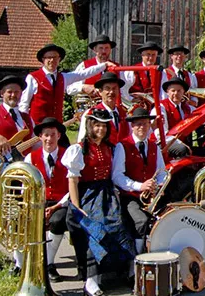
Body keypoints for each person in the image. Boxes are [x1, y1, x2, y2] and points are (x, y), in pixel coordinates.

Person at [63, 109, 135, 296]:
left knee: (120, 224)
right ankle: (91, 281)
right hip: (87, 194)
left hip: (107, 194)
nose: (101, 129)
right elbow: (73, 180)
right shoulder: (79, 149)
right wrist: (77, 206)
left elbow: (115, 176)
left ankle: (125, 272)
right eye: (97, 125)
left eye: (104, 125)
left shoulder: (111, 148)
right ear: (89, 126)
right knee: (95, 229)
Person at [0, 75, 35, 273]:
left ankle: (18, 260)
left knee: (19, 213)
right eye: (10, 91)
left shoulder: (26, 118)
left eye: (17, 92)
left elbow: (33, 143)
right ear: (2, 94)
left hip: (20, 173)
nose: (14, 95)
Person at [112, 107, 167, 256]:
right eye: (138, 124)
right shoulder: (122, 146)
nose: (142, 127)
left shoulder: (154, 147)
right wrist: (139, 186)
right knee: (141, 221)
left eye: (145, 124)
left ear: (149, 125)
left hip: (151, 196)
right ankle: (137, 258)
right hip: (130, 196)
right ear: (132, 126)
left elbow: (162, 171)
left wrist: (159, 186)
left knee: (168, 218)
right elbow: (117, 176)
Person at [24, 116, 69, 281]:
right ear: (40, 137)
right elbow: (27, 187)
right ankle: (21, 264)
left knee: (58, 220)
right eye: (46, 135)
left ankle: (48, 263)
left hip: (62, 202)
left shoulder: (68, 155)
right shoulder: (30, 158)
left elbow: (73, 186)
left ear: (58, 136)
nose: (49, 139)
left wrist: (57, 206)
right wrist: (37, 207)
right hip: (38, 203)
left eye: (53, 134)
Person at [20, 43, 107, 124]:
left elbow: (83, 74)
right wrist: (26, 125)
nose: (52, 60)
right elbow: (24, 104)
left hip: (56, 126)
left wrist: (104, 65)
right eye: (48, 57)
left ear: (59, 59)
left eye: (55, 57)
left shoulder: (63, 78)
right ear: (43, 59)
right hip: (37, 127)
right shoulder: (32, 78)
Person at [77, 72, 129, 144]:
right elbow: (82, 141)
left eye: (114, 88)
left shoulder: (124, 114)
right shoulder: (91, 114)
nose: (111, 92)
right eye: (107, 88)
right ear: (100, 92)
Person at [151, 77, 194, 158]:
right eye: (173, 91)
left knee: (204, 150)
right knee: (182, 149)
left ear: (183, 92)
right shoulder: (161, 107)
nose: (176, 93)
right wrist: (180, 144)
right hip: (162, 144)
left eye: (179, 91)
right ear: (167, 92)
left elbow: (201, 113)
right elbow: (162, 134)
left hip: (179, 143)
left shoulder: (186, 108)